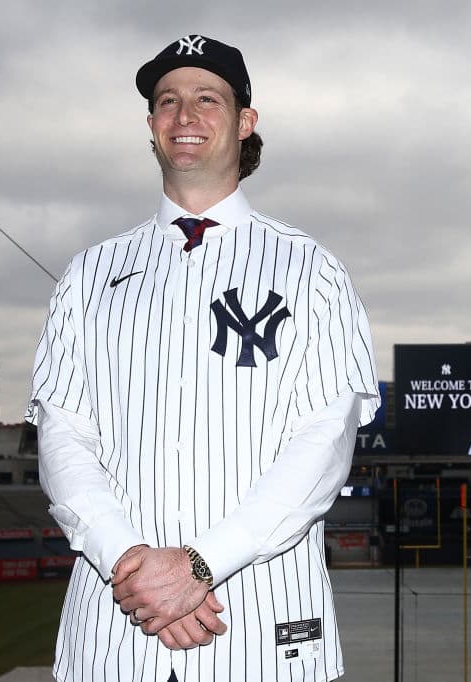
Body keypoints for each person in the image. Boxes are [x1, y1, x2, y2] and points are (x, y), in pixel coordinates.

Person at [27, 34, 379, 682]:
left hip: (264, 633)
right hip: (114, 630)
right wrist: (130, 560)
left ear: (246, 122)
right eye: (167, 101)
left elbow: (323, 443)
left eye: (206, 98)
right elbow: (64, 437)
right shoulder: (88, 274)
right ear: (151, 127)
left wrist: (198, 565)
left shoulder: (313, 271)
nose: (184, 116)